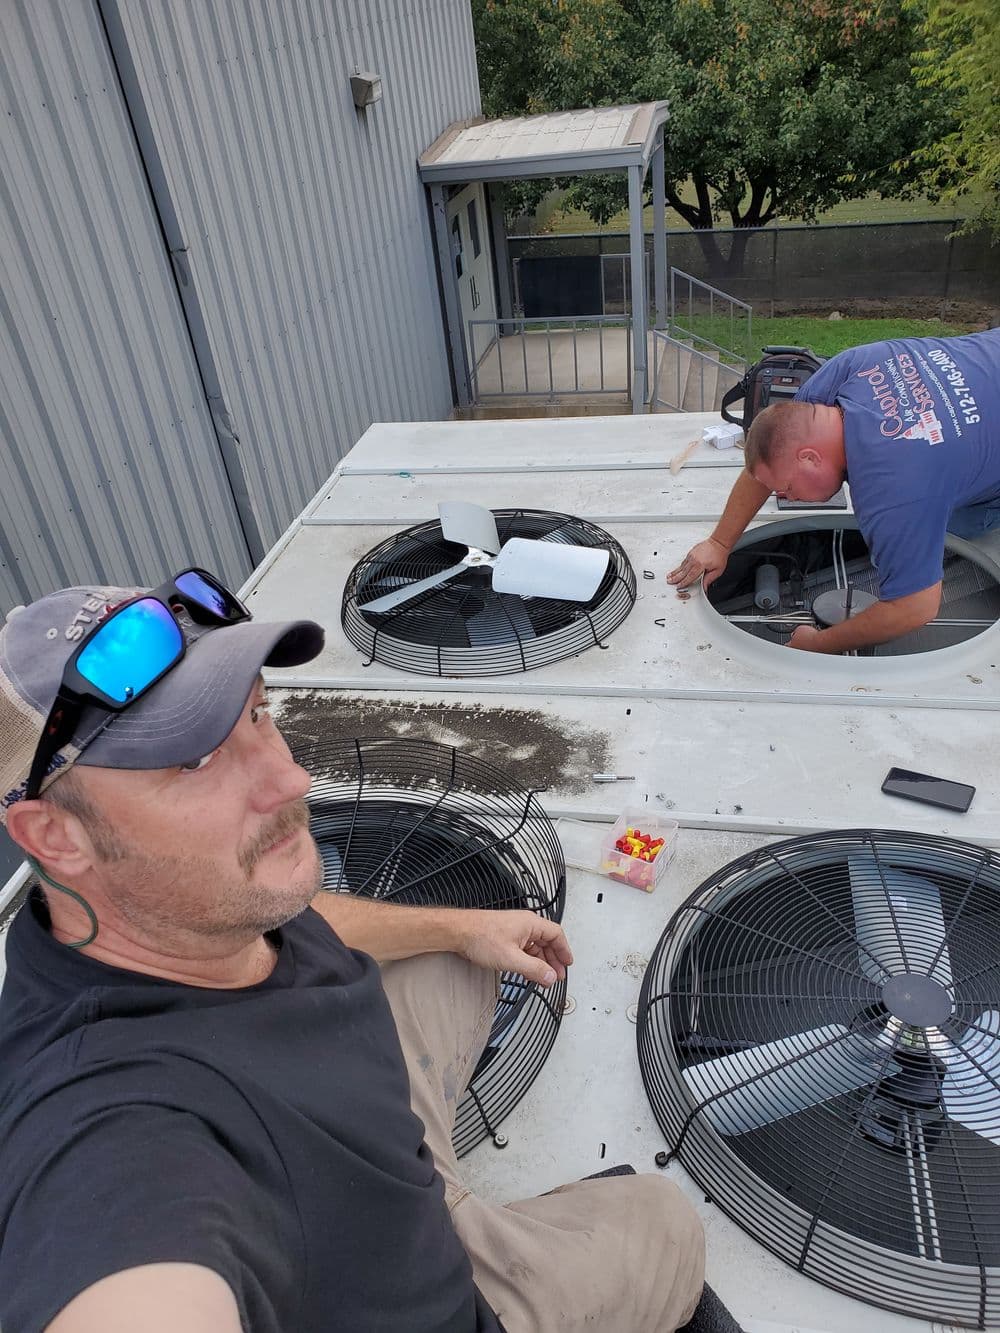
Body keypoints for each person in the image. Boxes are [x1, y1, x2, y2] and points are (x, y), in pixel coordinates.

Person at [0, 571, 704, 1333]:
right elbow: (123, 1255)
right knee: (666, 1219)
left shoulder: (185, 912)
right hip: (450, 1302)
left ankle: (437, 1189)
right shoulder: (118, 1124)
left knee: (459, 962)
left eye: (259, 713)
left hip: (378, 1171)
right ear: (55, 837)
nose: (291, 777)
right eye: (194, 761)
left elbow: (309, 914)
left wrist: (461, 925)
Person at [668, 328, 1000, 653]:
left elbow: (915, 608)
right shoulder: (852, 367)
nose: (785, 497)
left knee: (955, 527)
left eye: (786, 489)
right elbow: (771, 453)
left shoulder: (892, 491)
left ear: (810, 458)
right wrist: (720, 542)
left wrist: (820, 643)